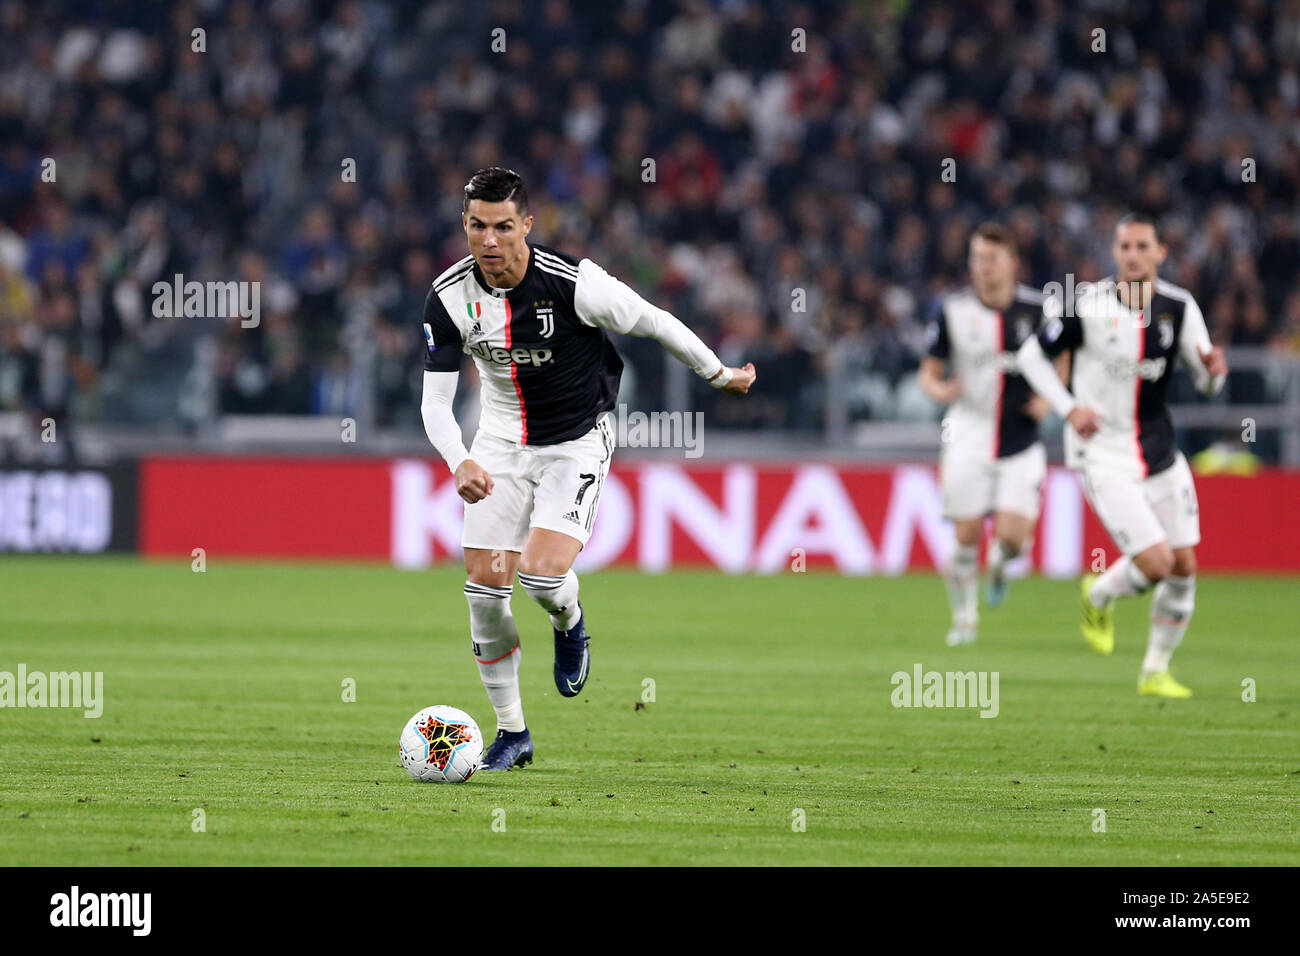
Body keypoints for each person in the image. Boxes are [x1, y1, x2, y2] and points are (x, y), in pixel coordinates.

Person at [419, 167, 756, 768]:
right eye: (476, 226)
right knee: (485, 594)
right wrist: (460, 458)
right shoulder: (448, 296)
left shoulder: (574, 283)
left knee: (541, 577)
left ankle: (569, 621)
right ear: (464, 225)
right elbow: (435, 402)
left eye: (502, 227)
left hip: (574, 441)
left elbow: (652, 319)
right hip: (497, 445)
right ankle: (513, 734)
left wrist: (718, 374)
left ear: (527, 225)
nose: (489, 241)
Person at [1016, 214, 1228, 698]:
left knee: (1185, 566)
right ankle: (1099, 592)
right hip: (1103, 453)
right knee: (1156, 564)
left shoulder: (1179, 306)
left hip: (1159, 451)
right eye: (1124, 246)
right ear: (1116, 254)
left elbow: (1207, 380)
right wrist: (1069, 410)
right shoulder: (1086, 305)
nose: (1132, 254)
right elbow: (1031, 356)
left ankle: (1155, 670)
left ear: (1160, 254)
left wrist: (1215, 372)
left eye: (1142, 246)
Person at [918, 223, 1062, 646]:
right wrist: (939, 389)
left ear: (1012, 263)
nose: (983, 267)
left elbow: (1065, 354)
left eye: (992, 259)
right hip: (968, 432)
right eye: (977, 258)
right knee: (965, 536)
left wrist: (1050, 398)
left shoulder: (1040, 309)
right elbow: (928, 370)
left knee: (1013, 540)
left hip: (1021, 439)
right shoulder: (952, 310)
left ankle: (999, 568)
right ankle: (964, 620)